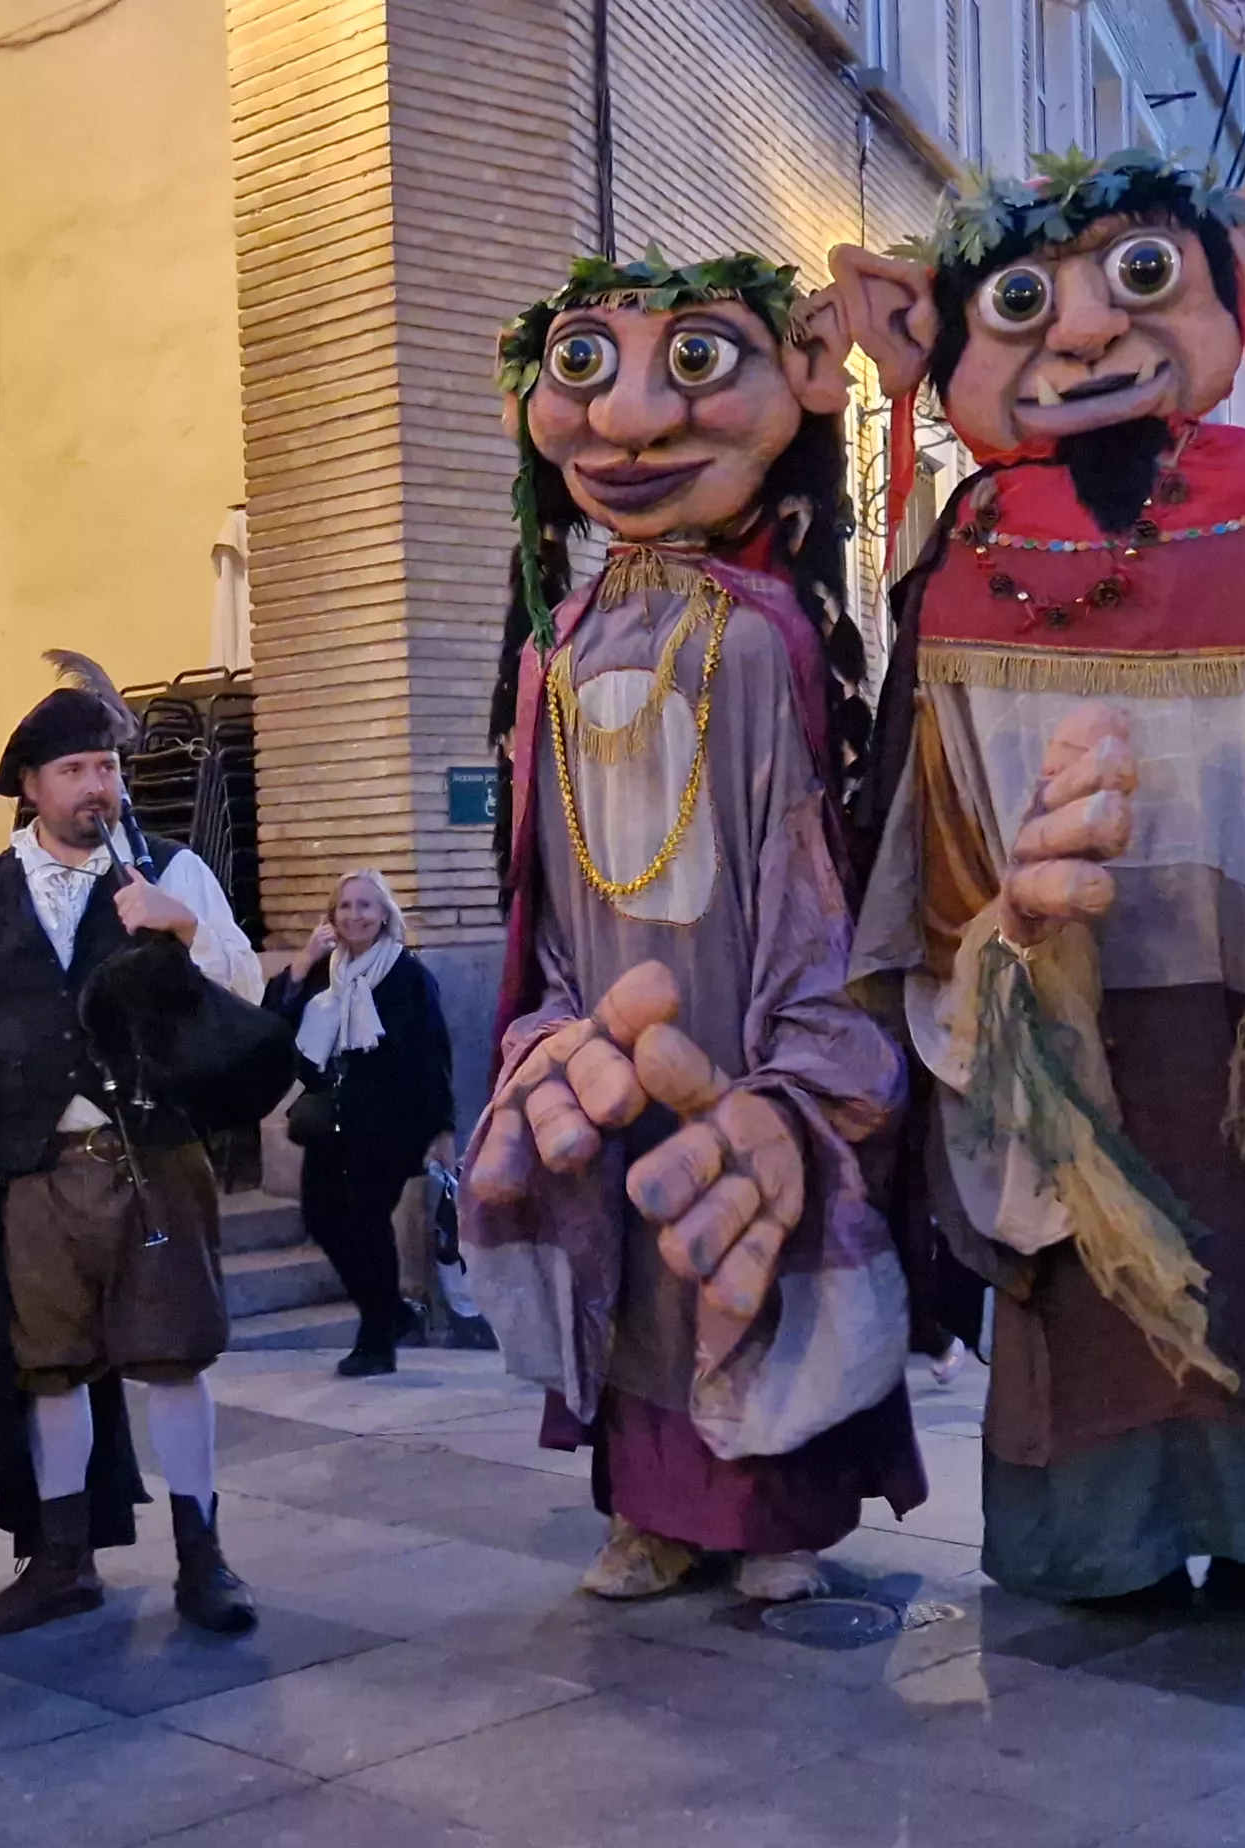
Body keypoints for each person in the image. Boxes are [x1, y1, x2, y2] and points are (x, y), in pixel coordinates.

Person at [835, 153, 1245, 1615]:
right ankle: (1092, 1540)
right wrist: (983, 950)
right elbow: (929, 804)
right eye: (1020, 304)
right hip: (1046, 992)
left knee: (1236, 1258)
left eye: (1138, 279)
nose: (1075, 335)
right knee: (1075, 1264)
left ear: (1229, 281)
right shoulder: (967, 553)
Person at [463, 249, 923, 1606]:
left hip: (740, 1010)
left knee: (748, 1237)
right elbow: (539, 864)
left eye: (697, 370)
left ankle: (774, 1516)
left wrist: (800, 1037)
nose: (631, 426)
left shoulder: (772, 630)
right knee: (630, 1259)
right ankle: (651, 1515)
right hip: (603, 1009)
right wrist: (551, 1009)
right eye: (586, 375)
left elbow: (804, 848)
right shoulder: (559, 639)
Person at [0, 657, 271, 1639]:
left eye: (106, 767)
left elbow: (248, 991)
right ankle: (61, 1562)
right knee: (46, 1367)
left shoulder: (168, 872)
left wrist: (181, 934)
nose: (99, 786)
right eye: (76, 770)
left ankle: (202, 1556)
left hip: (150, 1158)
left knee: (174, 1359)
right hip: (31, 1174)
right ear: (32, 789)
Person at [266, 870, 453, 1378]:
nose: (355, 915)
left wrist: (442, 1130)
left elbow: (432, 1054)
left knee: (368, 1224)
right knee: (322, 1217)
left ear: (385, 915)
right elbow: (274, 1025)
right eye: (345, 906)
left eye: (366, 906)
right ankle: (391, 1312)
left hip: (391, 1122)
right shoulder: (327, 973)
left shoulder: (407, 975)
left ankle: (376, 1340)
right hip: (333, 1119)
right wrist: (302, 963)